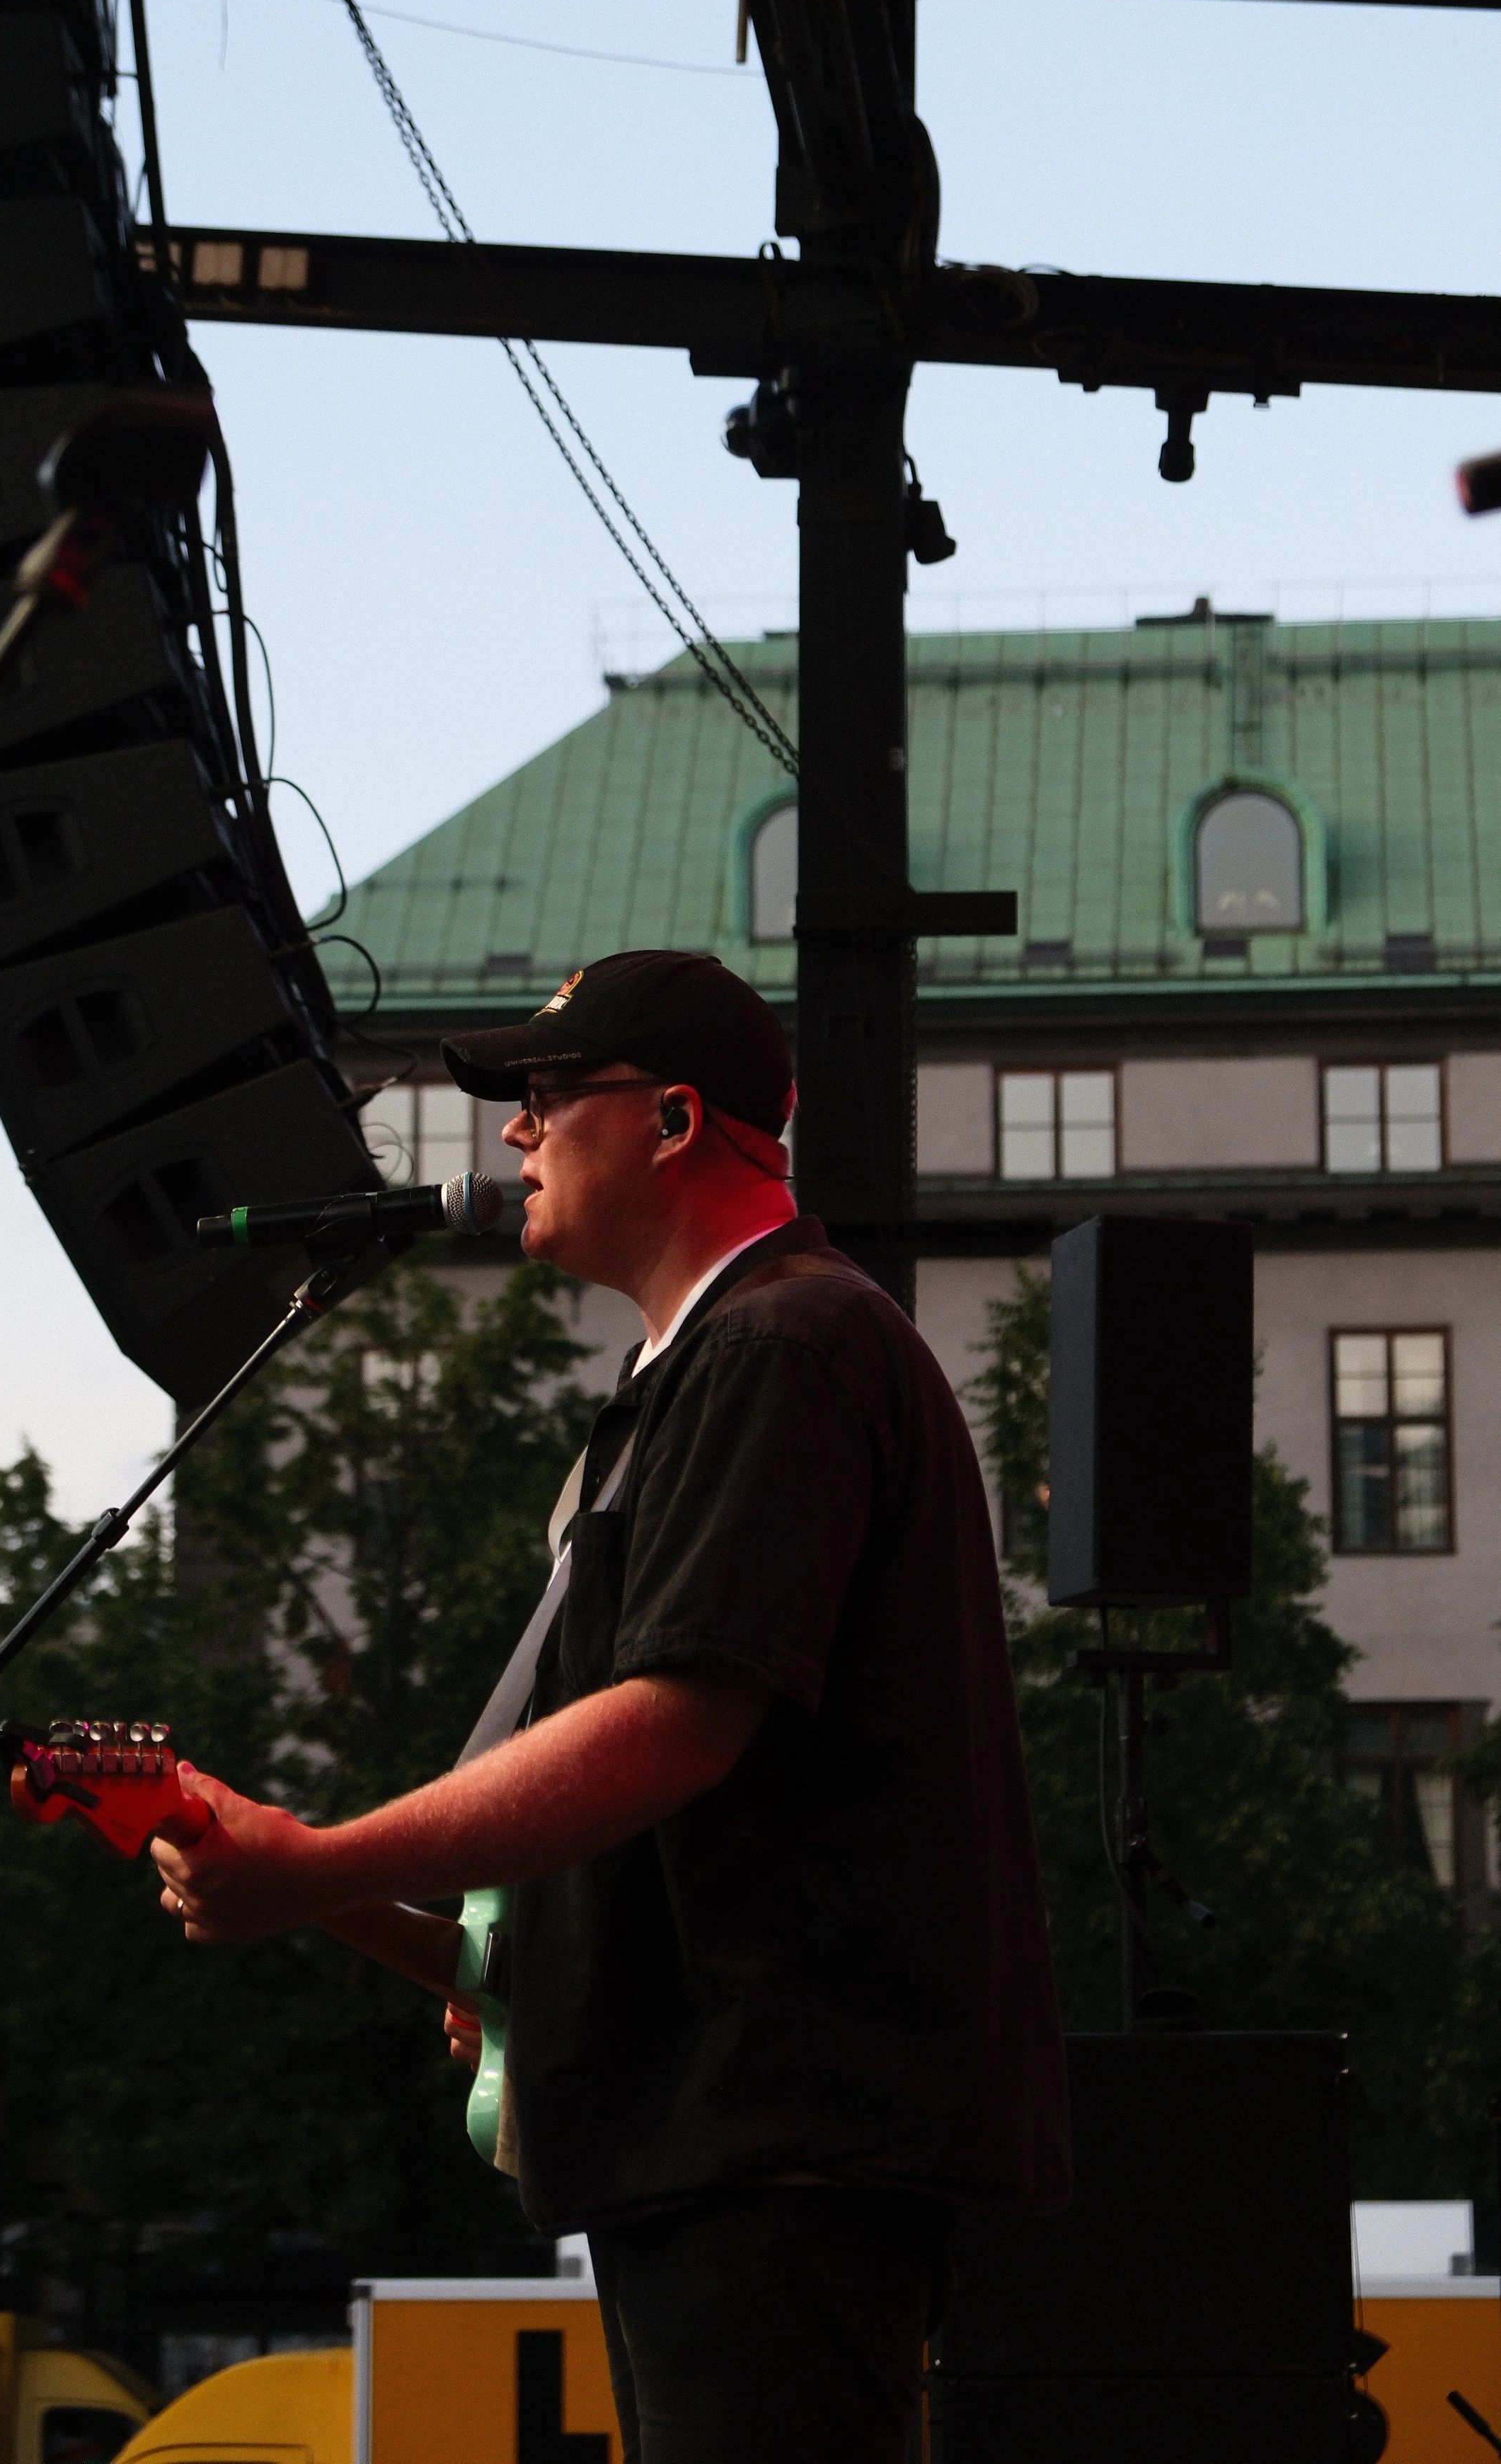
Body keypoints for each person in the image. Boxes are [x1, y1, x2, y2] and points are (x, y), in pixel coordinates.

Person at [152, 948, 1069, 2464]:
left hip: (779, 2133)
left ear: (670, 1119)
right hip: (718, 2128)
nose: (512, 1129)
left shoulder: (783, 1344)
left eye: (545, 1092)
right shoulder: (700, 1372)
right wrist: (474, 1947)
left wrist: (313, 1866)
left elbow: (674, 1726)